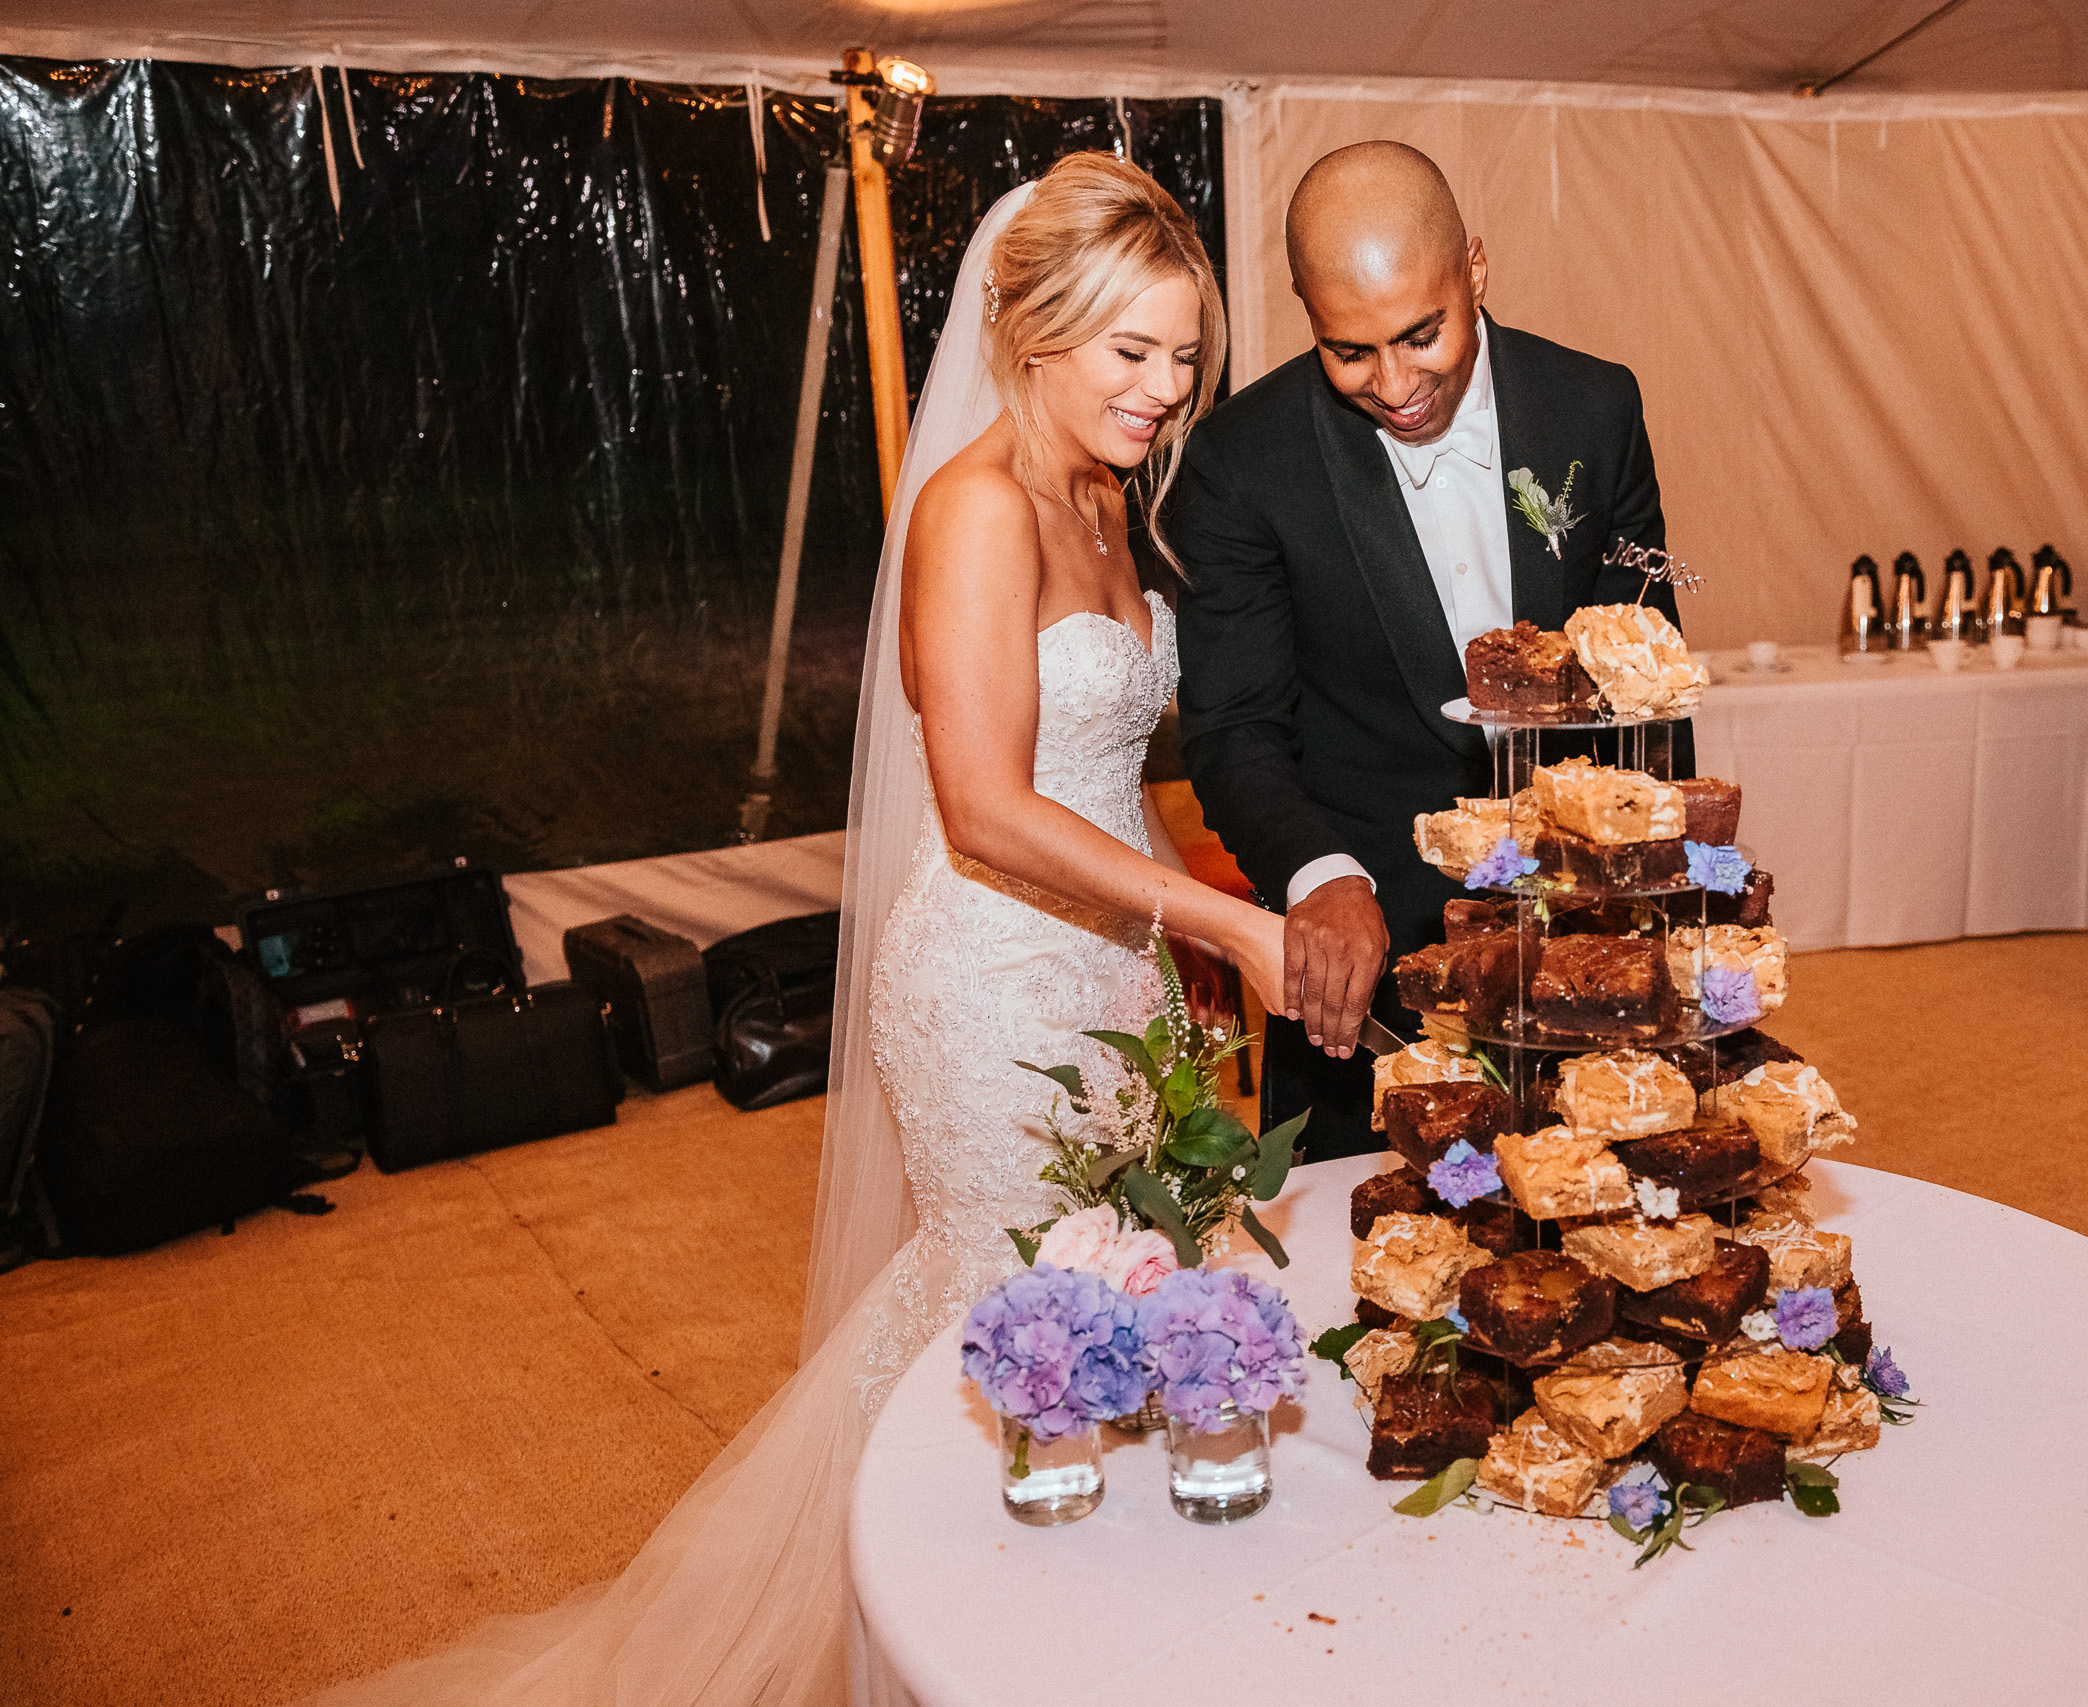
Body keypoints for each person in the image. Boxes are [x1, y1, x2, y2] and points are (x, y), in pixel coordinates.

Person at [299, 154, 1278, 1707]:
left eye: (1181, 357)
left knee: (1131, 1282)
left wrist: (1191, 946)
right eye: (1130, 354)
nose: (1163, 391)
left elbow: (1100, 780)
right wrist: (1222, 906)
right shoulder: (974, 507)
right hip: (993, 980)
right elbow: (984, 803)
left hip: (1116, 970)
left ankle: (1096, 1634)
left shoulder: (1106, 489)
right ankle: (973, 1642)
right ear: (1034, 333)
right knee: (1026, 1306)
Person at [1170, 140, 1680, 1161]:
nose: (1395, 384)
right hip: (1367, 946)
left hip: (1576, 915)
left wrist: (1652, 880)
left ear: (1475, 270)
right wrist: (1320, 880)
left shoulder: (1597, 405)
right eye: (1348, 350)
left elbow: (1646, 662)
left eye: (1420, 335)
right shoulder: (1240, 461)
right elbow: (1233, 729)